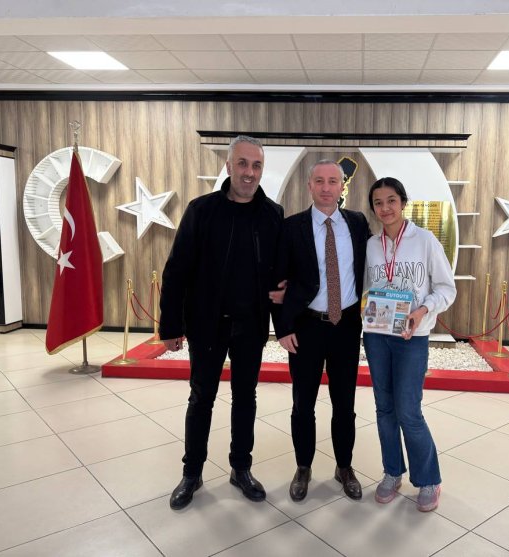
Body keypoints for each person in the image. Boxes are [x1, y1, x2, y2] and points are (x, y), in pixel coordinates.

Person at [159, 135, 284, 510]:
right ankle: (192, 473)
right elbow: (176, 270)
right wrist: (171, 326)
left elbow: (280, 275)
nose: (249, 172)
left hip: (251, 325)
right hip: (206, 324)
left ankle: (240, 469)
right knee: (201, 399)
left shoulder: (272, 214)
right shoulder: (201, 211)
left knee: (246, 398)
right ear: (229, 166)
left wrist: (287, 317)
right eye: (242, 163)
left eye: (256, 165)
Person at [274, 160, 371, 502]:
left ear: (342, 186)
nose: (327, 187)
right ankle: (303, 467)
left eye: (333, 181)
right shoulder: (291, 227)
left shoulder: (357, 223)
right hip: (306, 328)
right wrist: (282, 327)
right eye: (320, 181)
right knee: (303, 404)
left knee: (345, 403)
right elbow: (277, 281)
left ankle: (344, 466)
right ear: (309, 185)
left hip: (346, 327)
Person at [363, 177, 456, 512]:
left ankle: (429, 479)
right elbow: (367, 289)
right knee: (384, 408)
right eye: (378, 203)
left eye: (391, 200)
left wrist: (422, 310)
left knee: (408, 410)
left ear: (403, 203)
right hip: (377, 337)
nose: (385, 208)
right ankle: (392, 472)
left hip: (411, 338)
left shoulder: (425, 240)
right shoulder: (372, 246)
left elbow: (446, 288)